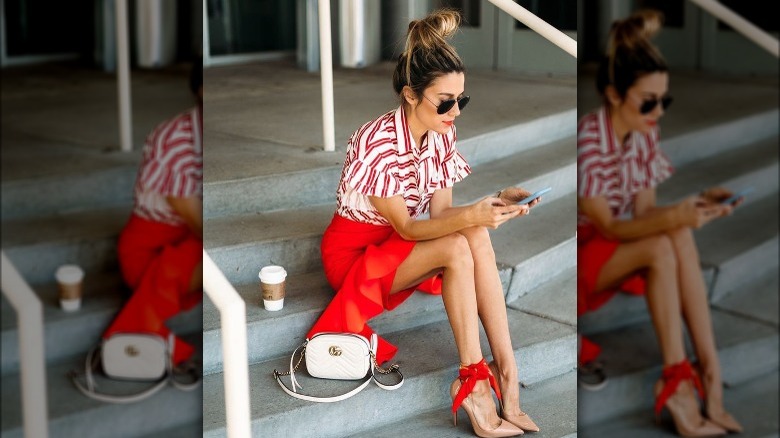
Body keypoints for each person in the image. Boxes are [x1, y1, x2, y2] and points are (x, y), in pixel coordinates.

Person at [306, 9, 543, 438]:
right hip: (355, 254)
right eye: (446, 101)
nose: (456, 111)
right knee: (458, 244)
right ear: (411, 95)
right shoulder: (374, 141)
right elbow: (410, 230)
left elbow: (441, 216)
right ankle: (473, 378)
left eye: (462, 100)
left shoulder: (442, 132)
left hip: (401, 246)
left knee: (471, 232)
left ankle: (507, 369)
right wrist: (474, 216)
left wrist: (492, 206)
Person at [577, 10, 742, 436]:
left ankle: (709, 377)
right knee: (663, 242)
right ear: (614, 94)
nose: (657, 111)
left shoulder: (644, 131)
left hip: (614, 246)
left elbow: (647, 213)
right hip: (581, 255)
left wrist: (697, 205)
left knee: (676, 232)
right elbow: (610, 228)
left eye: (663, 100)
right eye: (648, 101)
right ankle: (680, 385)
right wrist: (676, 215)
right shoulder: (589, 138)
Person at [102, 58, 203, 369]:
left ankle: (137, 339)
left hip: (186, 243)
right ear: (201, 91)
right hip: (148, 249)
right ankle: (135, 339)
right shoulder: (175, 139)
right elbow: (195, 218)